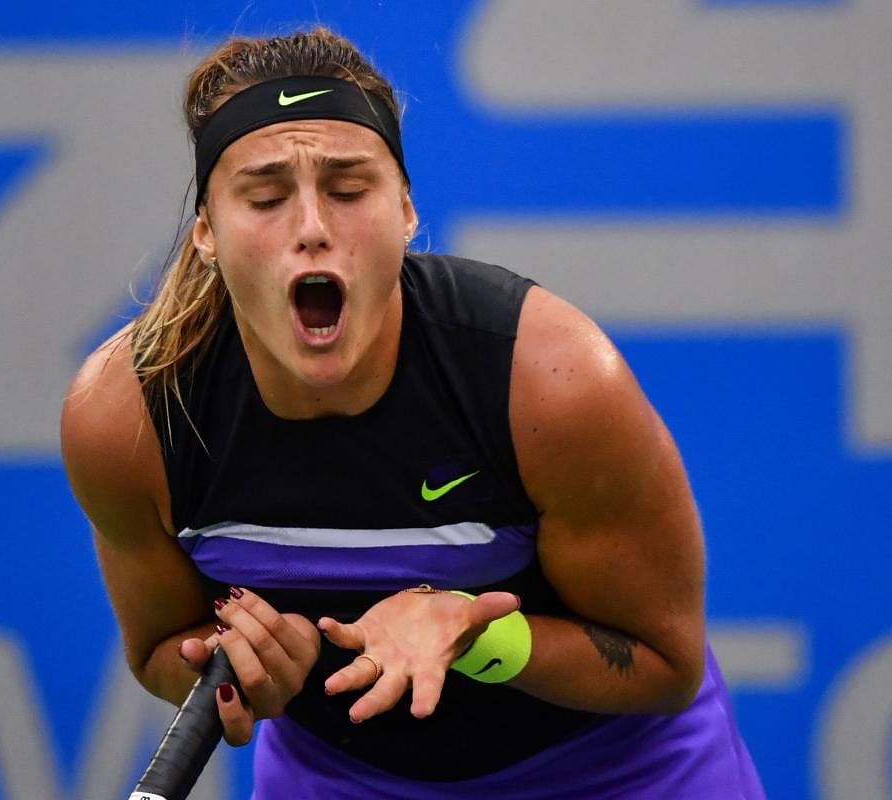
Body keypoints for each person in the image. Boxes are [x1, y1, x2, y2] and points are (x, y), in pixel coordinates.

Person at [61, 27, 765, 799]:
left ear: (404, 210)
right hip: (343, 779)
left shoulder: (549, 380)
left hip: (623, 776)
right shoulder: (126, 416)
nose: (311, 228)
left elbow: (664, 663)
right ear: (207, 234)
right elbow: (162, 648)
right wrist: (254, 670)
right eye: (264, 197)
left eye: (349, 189)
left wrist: (478, 631)